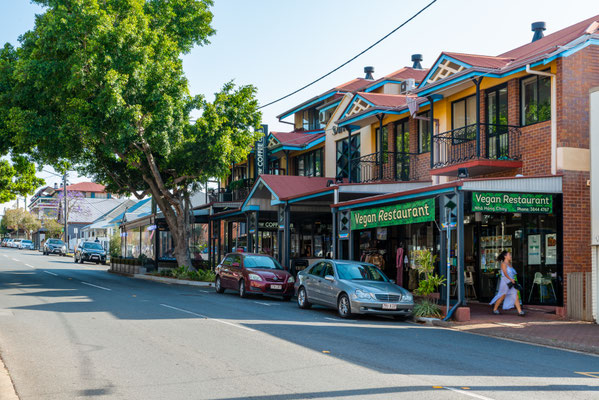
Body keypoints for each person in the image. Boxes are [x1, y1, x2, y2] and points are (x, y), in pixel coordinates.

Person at [490, 251, 525, 316]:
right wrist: (511, 279)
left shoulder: (509, 264)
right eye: (509, 255)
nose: (510, 256)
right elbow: (505, 273)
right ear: (505, 256)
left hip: (511, 282)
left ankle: (520, 312)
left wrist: (513, 280)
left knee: (515, 295)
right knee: (502, 295)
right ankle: (495, 309)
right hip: (505, 282)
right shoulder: (503, 264)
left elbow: (512, 273)